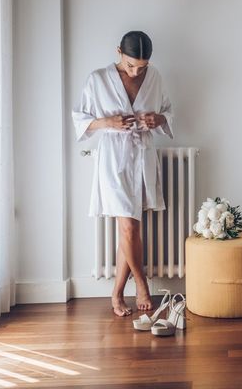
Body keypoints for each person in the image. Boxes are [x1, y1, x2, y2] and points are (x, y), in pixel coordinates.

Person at [73, 31, 173, 317]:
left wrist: (159, 119)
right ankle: (141, 285)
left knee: (132, 229)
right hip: (113, 158)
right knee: (128, 227)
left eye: (142, 66)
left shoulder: (154, 77)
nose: (137, 71)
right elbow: (80, 119)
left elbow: (168, 111)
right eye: (131, 65)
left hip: (143, 155)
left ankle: (116, 293)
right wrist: (107, 122)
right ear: (118, 51)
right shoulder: (98, 79)